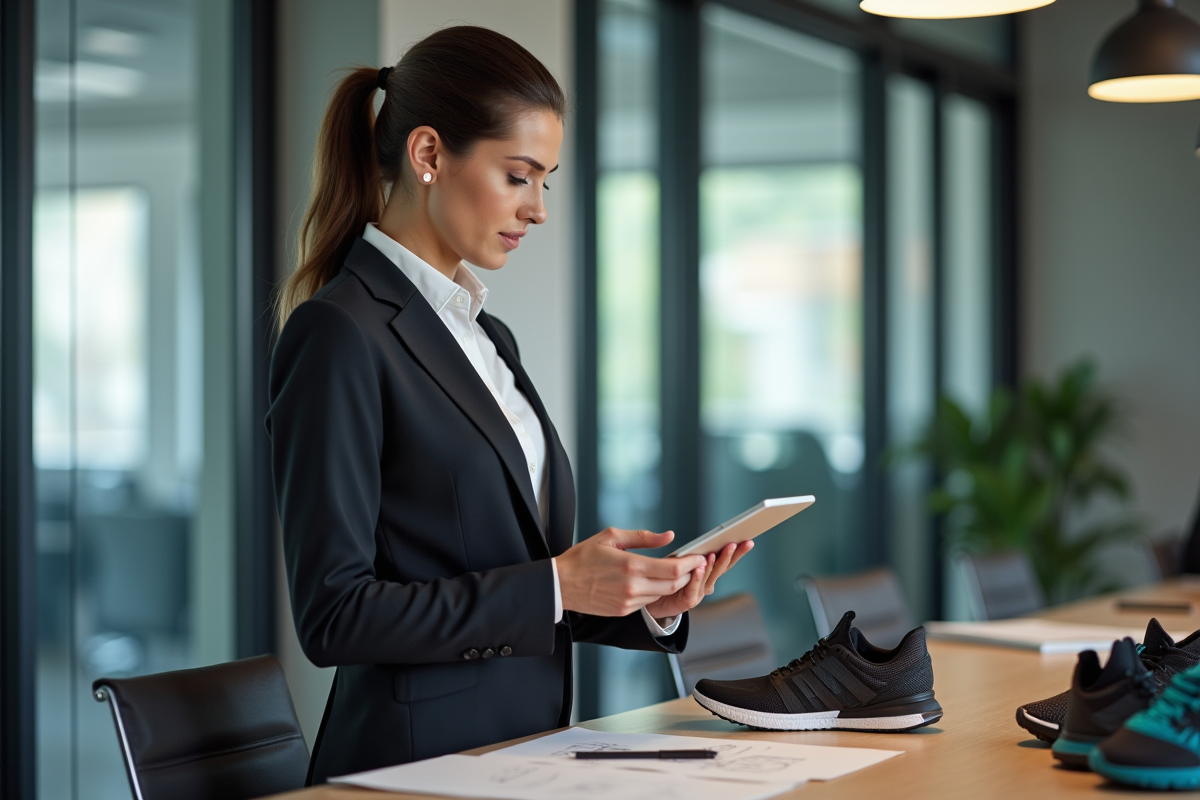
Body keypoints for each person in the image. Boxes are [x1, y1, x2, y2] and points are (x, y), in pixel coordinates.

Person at [266, 26, 751, 784]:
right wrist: (558, 583)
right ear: (429, 155)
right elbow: (335, 615)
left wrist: (639, 596)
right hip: (413, 768)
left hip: (527, 752)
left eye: (545, 181)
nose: (538, 210)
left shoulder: (488, 335)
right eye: (519, 175)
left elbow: (514, 576)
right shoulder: (338, 332)